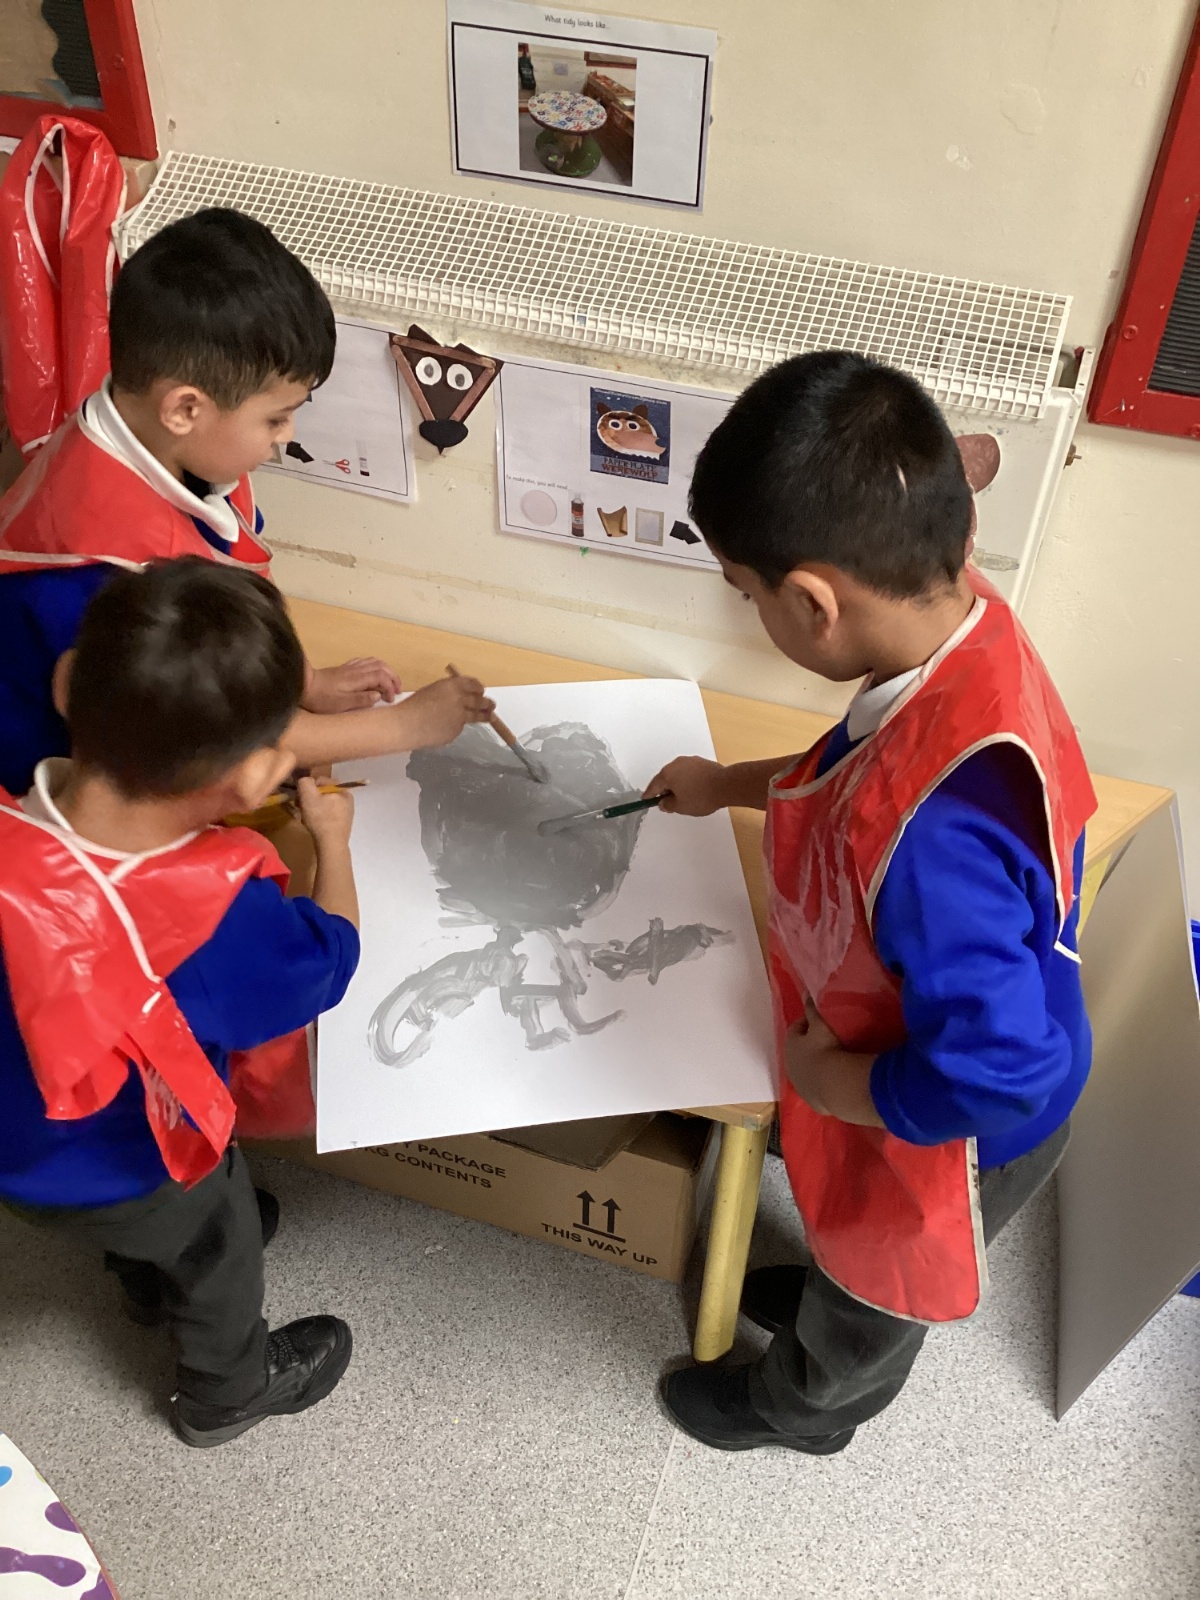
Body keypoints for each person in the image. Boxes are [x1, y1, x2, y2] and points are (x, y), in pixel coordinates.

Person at [646, 351, 1096, 1455]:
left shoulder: (941, 848)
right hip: (920, 1036)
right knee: (845, 1243)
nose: (748, 609)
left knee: (875, 1295)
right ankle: (824, 1299)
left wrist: (825, 1082)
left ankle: (805, 1407)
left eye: (745, 594)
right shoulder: (961, 622)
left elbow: (1001, 1071)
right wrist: (726, 784)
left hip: (962, 1126)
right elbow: (857, 766)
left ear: (811, 602)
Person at [0, 558, 363, 1447]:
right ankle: (226, 1392)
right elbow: (327, 963)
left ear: (69, 684)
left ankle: (140, 1276)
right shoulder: (210, 915)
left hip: (19, 1145)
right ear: (255, 778)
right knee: (219, 1243)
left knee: (138, 1229)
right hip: (133, 1161)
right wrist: (333, 842)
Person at [0, 205, 493, 797]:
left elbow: (239, 569)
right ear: (185, 408)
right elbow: (222, 729)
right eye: (276, 418)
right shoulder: (101, 575)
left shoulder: (171, 440)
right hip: (57, 779)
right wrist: (404, 726)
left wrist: (308, 684)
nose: (285, 437)